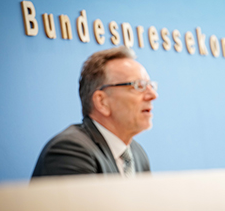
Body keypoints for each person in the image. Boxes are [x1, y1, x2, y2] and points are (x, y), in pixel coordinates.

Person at [32, 46, 158, 177]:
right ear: (102, 102)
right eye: (139, 86)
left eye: (151, 86)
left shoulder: (137, 154)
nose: (153, 95)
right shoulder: (71, 151)